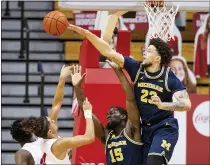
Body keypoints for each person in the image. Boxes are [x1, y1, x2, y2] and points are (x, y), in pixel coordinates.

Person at [67, 25, 191, 165]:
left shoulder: (169, 77)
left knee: (154, 160)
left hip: (164, 126)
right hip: (147, 129)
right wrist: (87, 33)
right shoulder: (137, 69)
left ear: (157, 58)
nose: (144, 52)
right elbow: (108, 51)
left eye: (149, 51)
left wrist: (163, 105)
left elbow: (186, 105)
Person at [71, 64, 143, 165]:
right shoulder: (106, 136)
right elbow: (86, 111)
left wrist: (118, 71)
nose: (108, 115)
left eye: (113, 112)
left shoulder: (132, 130)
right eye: (108, 114)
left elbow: (130, 99)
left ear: (123, 116)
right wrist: (77, 88)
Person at [10, 65, 73, 165]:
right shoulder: (42, 138)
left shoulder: (42, 136)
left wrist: (62, 79)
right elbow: (56, 105)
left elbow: (56, 105)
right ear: (28, 130)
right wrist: (62, 79)